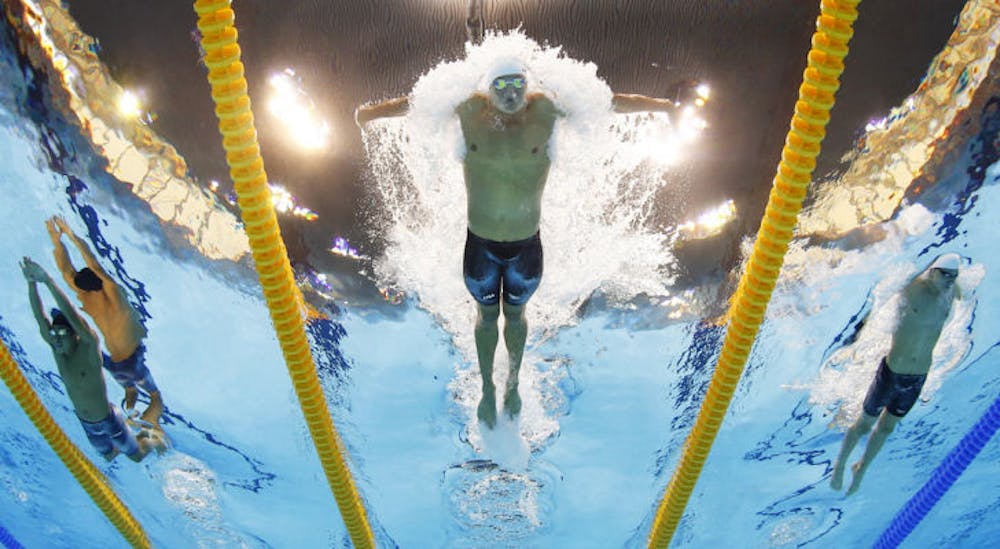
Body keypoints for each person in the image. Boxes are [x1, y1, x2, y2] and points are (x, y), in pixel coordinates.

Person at [356, 57, 693, 428]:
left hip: (526, 248)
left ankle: (512, 386)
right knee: (486, 317)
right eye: (500, 86)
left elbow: (607, 102)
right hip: (480, 246)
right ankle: (487, 388)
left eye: (516, 84)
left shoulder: (546, 110)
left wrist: (662, 108)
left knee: (515, 315)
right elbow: (418, 104)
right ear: (488, 89)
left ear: (526, 84)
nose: (510, 93)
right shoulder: (469, 110)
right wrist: (371, 113)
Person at [830, 253, 963, 495]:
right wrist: (860, 328)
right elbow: (885, 291)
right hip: (891, 373)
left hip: (918, 377)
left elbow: (968, 290)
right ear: (932, 270)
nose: (951, 280)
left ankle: (861, 468)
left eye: (954, 276)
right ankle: (839, 466)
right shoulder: (912, 289)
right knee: (863, 425)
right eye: (946, 274)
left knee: (887, 429)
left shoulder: (950, 293)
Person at [21, 257, 166, 461]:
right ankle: (139, 433)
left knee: (137, 456)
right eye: (54, 334)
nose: (57, 339)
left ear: (75, 334)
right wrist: (31, 283)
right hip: (87, 423)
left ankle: (155, 437)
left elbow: (75, 318)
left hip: (108, 420)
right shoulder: (58, 350)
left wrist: (48, 281)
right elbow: (40, 317)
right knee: (109, 456)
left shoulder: (89, 346)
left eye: (62, 334)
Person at [46, 215, 164, 427]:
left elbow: (66, 271)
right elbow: (96, 266)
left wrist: (56, 240)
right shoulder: (113, 295)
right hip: (133, 363)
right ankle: (145, 428)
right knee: (156, 396)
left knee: (129, 388)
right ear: (99, 281)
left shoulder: (87, 299)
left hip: (116, 366)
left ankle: (130, 404)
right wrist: (71, 235)